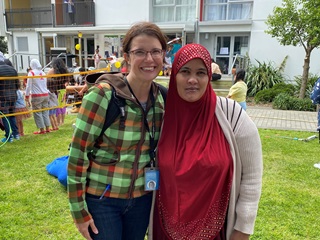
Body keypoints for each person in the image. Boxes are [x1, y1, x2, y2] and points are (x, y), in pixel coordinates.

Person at [151, 44, 263, 240]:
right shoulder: (161, 117)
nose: (192, 80)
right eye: (185, 71)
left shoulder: (231, 114)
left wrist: (243, 229)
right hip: (165, 230)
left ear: (209, 77)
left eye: (200, 72)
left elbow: (252, 177)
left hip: (215, 231)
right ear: (174, 74)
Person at [67, 21, 167, 240]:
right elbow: (77, 154)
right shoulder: (102, 96)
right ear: (127, 56)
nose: (149, 59)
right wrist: (79, 212)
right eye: (140, 52)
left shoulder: (162, 99)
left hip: (143, 200)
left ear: (163, 55)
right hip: (103, 201)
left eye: (155, 51)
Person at [25, 59, 51, 134]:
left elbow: (28, 85)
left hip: (37, 96)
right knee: (45, 111)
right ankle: (47, 128)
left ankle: (41, 129)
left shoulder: (31, 73)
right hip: (45, 94)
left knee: (37, 112)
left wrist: (27, 95)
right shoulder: (43, 72)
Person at [0, 53, 20, 142]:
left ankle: (9, 136)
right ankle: (16, 134)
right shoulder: (12, 69)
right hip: (13, 96)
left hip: (3, 97)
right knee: (12, 116)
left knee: (5, 117)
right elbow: (17, 84)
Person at [47, 58, 70, 126]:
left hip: (55, 90)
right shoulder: (65, 71)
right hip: (63, 90)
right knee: (62, 106)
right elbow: (67, 80)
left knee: (57, 106)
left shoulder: (52, 71)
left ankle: (58, 122)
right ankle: (62, 121)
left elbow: (47, 79)